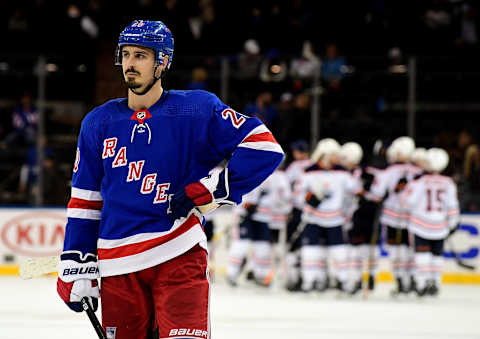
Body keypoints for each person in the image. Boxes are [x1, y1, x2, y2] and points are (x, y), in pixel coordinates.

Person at [56, 20, 284, 339]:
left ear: (162, 62)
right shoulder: (98, 122)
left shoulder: (196, 108)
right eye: (126, 55)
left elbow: (263, 146)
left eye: (141, 56)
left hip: (179, 253)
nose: (130, 64)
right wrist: (77, 260)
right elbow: (85, 201)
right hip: (117, 265)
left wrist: (210, 190)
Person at [400, 148, 459, 296]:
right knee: (436, 255)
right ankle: (435, 283)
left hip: (420, 224)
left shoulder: (419, 182)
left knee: (422, 255)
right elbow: (452, 206)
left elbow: (407, 202)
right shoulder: (448, 183)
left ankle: (422, 283)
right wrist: (452, 223)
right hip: (440, 225)